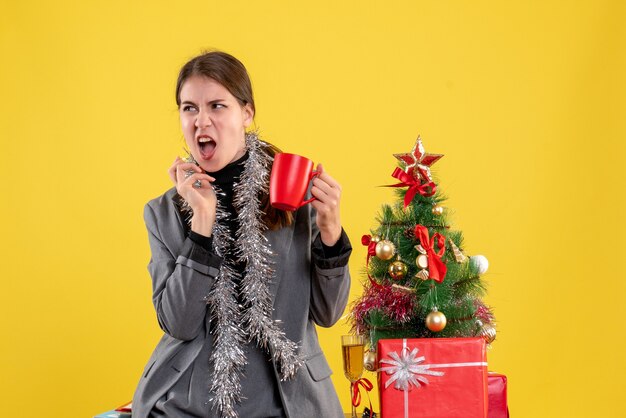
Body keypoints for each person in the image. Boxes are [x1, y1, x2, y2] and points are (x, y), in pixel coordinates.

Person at [132, 51, 352, 418]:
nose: (201, 121)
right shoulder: (163, 212)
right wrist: (202, 225)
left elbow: (328, 314)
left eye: (217, 106)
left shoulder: (293, 195)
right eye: (189, 108)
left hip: (287, 401)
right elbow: (179, 324)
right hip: (189, 405)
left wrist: (330, 230)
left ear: (246, 113)